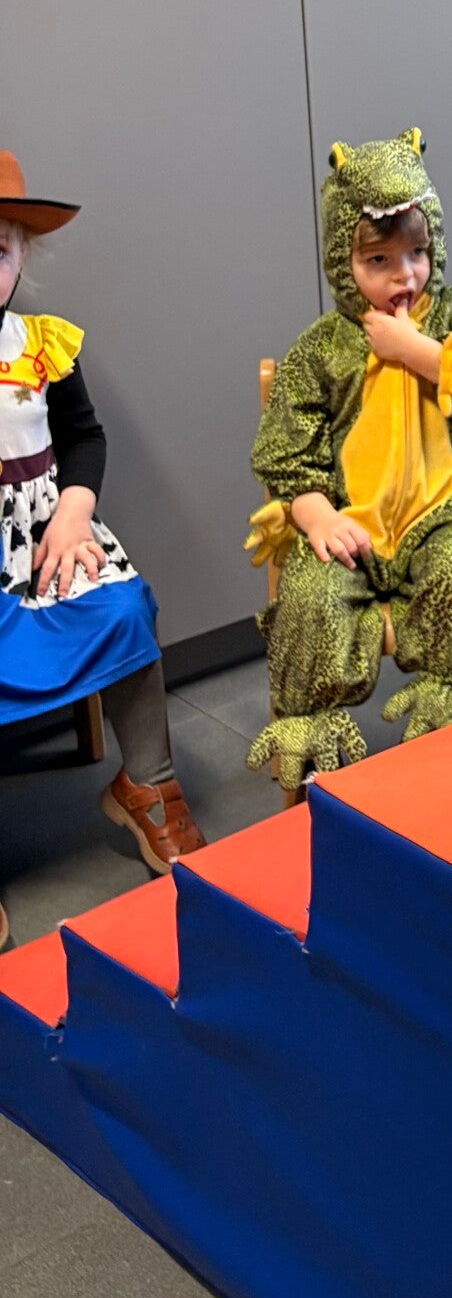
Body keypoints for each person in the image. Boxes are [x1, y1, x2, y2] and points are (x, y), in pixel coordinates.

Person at [247, 132, 452, 793]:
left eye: (417, 254)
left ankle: (443, 707)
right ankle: (312, 739)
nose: (405, 275)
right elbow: (287, 451)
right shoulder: (320, 350)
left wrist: (417, 351)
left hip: (443, 513)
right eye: (379, 260)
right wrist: (316, 515)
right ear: (343, 262)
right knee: (309, 593)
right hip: (353, 523)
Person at [0, 152, 208, 913]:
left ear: (23, 257)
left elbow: (84, 436)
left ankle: (148, 783)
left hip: (43, 532)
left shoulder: (41, 344)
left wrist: (73, 509)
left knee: (121, 607)